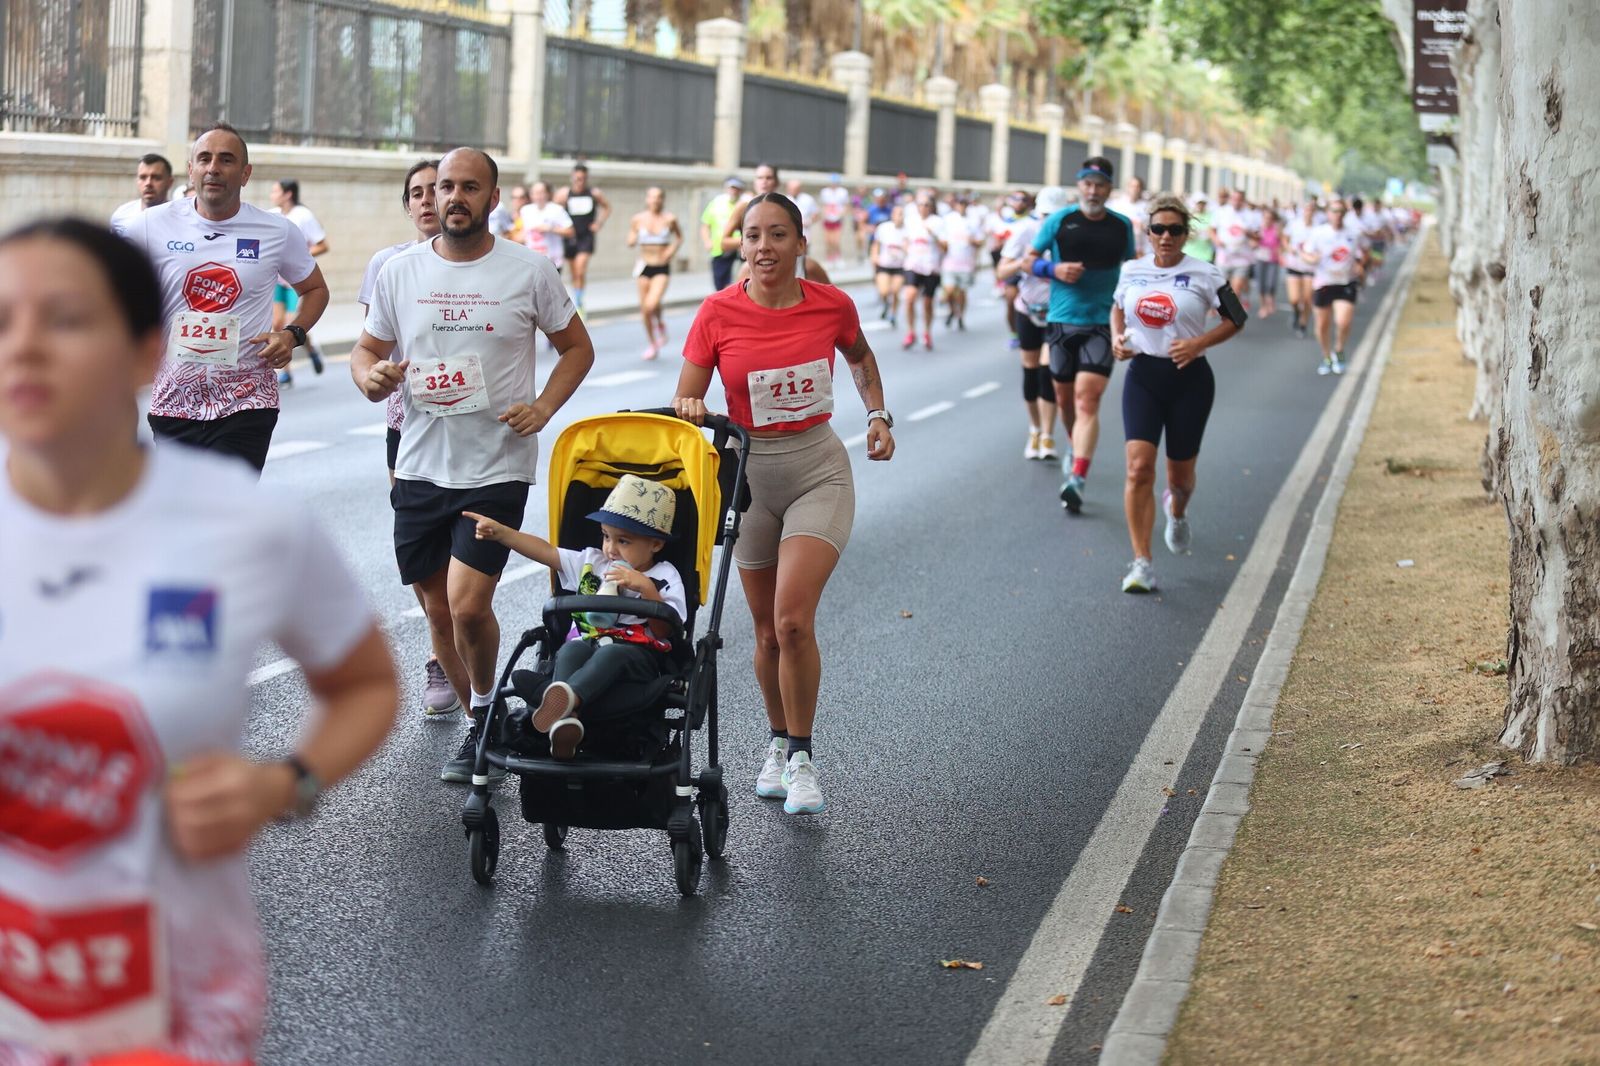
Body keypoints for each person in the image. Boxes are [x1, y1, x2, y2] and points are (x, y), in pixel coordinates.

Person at [0, 217, 396, 1062]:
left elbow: (365, 685)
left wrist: (281, 784)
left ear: (147, 354)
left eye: (64, 319)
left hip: (171, 1010)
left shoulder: (248, 525)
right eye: (2, 319)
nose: (24, 346)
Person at [350, 147, 596, 783]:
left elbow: (576, 347)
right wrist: (371, 377)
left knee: (465, 605)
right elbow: (368, 351)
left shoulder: (529, 270)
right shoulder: (399, 272)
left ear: (492, 198)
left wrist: (543, 407)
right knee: (437, 612)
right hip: (421, 464)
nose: (451, 198)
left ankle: (483, 715)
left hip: (496, 465)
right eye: (442, 187)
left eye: (467, 187)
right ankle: (481, 722)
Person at [672, 191, 895, 816]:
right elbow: (687, 396)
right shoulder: (716, 312)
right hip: (748, 477)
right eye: (752, 236)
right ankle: (775, 743)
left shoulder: (831, 305)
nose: (763, 247)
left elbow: (860, 356)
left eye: (777, 235)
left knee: (794, 619)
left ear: (801, 243)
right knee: (766, 630)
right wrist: (695, 409)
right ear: (739, 244)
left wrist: (877, 413)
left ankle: (801, 757)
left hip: (817, 469)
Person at [119, 123, 329, 473]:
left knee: (227, 513)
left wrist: (292, 335)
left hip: (247, 402)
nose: (213, 168)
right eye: (204, 158)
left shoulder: (277, 231)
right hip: (174, 402)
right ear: (191, 170)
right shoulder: (150, 225)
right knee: (181, 516)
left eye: (226, 160)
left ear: (245, 174)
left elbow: (315, 289)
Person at [463, 474, 687, 759]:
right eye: (606, 536)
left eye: (624, 541)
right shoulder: (594, 561)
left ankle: (562, 702)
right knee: (570, 648)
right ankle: (566, 719)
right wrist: (503, 534)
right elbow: (547, 552)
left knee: (613, 655)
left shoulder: (663, 576)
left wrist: (645, 588)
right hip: (590, 642)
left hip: (637, 657)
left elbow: (667, 630)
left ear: (655, 544)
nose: (611, 549)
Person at [355, 158, 460, 718]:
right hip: (407, 420)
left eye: (433, 190)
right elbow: (370, 345)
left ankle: (449, 648)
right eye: (415, 194)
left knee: (460, 547)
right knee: (419, 546)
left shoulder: (483, 263)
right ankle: (439, 637)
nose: (426, 201)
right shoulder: (388, 264)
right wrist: (374, 374)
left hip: (469, 426)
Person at [1109, 194, 1248, 593]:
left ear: (1186, 234)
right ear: (1148, 233)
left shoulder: (1206, 273)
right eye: (1158, 229)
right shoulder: (1131, 269)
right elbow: (1118, 307)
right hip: (1144, 375)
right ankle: (1141, 563)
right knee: (1138, 468)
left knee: (1180, 479)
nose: (1165, 236)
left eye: (1174, 230)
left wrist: (1199, 343)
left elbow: (1236, 319)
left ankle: (1179, 512)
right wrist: (1118, 337)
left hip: (1190, 378)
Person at [1022, 156, 1136, 514]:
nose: (1093, 190)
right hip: (1060, 323)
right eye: (1087, 183)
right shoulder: (1060, 221)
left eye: (1100, 184)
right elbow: (1028, 260)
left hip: (1102, 322)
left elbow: (1131, 269)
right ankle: (1075, 443)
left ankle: (1078, 477)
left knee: (1088, 400)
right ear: (1079, 186)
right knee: (1065, 399)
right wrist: (1052, 268)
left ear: (1109, 189)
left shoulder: (1122, 226)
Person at [997, 186, 1065, 462]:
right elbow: (1003, 270)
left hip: (1057, 311)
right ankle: (1035, 429)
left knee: (1048, 373)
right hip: (1027, 308)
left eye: (1054, 216)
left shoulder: (1069, 234)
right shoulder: (1025, 230)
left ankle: (1048, 434)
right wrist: (1023, 264)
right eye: (1045, 215)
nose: (1048, 221)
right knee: (1030, 373)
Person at [268, 177, 329, 381]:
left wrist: (297, 258)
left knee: (291, 324)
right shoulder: (273, 215)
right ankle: (286, 372)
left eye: (276, 191)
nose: (272, 195)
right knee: (277, 324)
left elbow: (322, 244)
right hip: (277, 280)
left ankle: (311, 350)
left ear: (288, 194)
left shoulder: (303, 215)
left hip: (296, 283)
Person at [1301, 198, 1366, 375]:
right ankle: (1326, 356)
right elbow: (1305, 253)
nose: (1337, 215)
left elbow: (1361, 254)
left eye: (1340, 212)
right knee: (1322, 325)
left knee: (1343, 322)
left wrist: (1360, 266)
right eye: (1334, 211)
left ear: (1345, 214)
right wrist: (1311, 259)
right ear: (1328, 214)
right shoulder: (1318, 233)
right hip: (1324, 283)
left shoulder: (1353, 233)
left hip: (1346, 282)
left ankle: (1339, 350)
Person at [627, 186, 683, 360]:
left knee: (651, 304)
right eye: (651, 197)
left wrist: (671, 251)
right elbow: (630, 240)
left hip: (661, 267)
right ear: (647, 199)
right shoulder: (638, 219)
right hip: (644, 266)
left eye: (658, 197)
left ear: (662, 200)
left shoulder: (670, 219)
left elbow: (679, 238)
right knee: (644, 309)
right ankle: (653, 343)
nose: (654, 200)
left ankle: (659, 323)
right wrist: (633, 238)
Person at [555, 164, 611, 314]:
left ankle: (579, 304)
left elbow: (607, 207)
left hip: (586, 236)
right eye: (577, 178)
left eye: (583, 178)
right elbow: (553, 210)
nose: (580, 181)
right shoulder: (564, 194)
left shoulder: (594, 193)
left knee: (580, 269)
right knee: (574, 272)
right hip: (570, 237)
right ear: (572, 177)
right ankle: (577, 298)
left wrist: (599, 223)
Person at [900, 191, 946, 351]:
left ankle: (927, 332)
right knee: (910, 297)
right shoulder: (910, 221)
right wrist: (907, 250)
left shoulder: (938, 222)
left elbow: (945, 247)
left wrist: (933, 235)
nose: (923, 208)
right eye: (919, 204)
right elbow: (905, 240)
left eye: (926, 204)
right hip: (913, 265)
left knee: (927, 302)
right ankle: (911, 331)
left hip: (931, 266)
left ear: (932, 206)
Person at [1209, 187, 1257, 314]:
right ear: (1231, 199)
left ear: (1243, 200)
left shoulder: (1250, 215)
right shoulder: (1221, 212)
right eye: (1234, 198)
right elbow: (1211, 230)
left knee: (1235, 290)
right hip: (1224, 257)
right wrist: (1216, 240)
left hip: (1242, 258)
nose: (1236, 201)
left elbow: (1258, 237)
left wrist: (1249, 234)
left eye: (1239, 199)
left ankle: (1230, 317)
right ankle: (1223, 309)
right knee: (1221, 287)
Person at [939, 197, 981, 331]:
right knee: (950, 291)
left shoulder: (972, 221)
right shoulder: (948, 219)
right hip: (950, 261)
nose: (961, 206)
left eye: (964, 204)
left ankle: (961, 316)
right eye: (959, 204)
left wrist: (973, 242)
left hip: (966, 262)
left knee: (962, 292)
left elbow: (980, 241)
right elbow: (942, 239)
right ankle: (952, 310)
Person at [109, 152, 174, 233]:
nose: (148, 183)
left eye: (156, 178)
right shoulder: (121, 215)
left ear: (170, 182)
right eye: (143, 177)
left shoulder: (180, 218)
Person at [519, 179, 574, 273]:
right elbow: (523, 233)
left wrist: (550, 229)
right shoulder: (525, 210)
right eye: (535, 193)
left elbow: (570, 232)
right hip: (531, 261)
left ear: (548, 194)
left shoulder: (557, 210)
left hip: (552, 261)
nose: (538, 196)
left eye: (541, 192)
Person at [701, 175, 745, 291]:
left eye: (736, 188)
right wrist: (707, 241)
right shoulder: (716, 203)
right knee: (720, 285)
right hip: (720, 250)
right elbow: (705, 225)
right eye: (731, 188)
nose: (733, 191)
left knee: (740, 282)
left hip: (739, 249)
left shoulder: (744, 205)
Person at [1282, 200, 1318, 337]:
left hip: (1310, 266)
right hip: (1294, 264)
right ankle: (1296, 313)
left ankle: (1303, 324)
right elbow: (1284, 238)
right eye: (1307, 209)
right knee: (1294, 299)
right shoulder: (1294, 224)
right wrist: (1288, 247)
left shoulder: (1318, 228)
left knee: (1308, 298)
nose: (1309, 212)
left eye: (1311, 209)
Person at [871, 203, 908, 326]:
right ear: (892, 215)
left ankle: (893, 313)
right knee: (884, 291)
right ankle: (886, 304)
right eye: (897, 214)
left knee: (896, 291)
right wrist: (874, 256)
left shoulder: (908, 230)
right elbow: (876, 243)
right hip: (885, 264)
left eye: (902, 214)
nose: (900, 217)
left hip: (900, 265)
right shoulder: (884, 228)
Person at [818, 174, 851, 264]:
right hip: (828, 218)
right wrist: (825, 214)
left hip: (838, 219)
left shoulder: (843, 192)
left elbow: (846, 205)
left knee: (836, 240)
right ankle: (829, 258)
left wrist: (841, 214)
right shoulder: (825, 192)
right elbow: (823, 205)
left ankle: (838, 257)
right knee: (828, 241)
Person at [1256, 207, 1282, 319]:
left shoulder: (1276, 230)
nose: (1267, 220)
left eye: (1270, 218)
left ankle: (1271, 301)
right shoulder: (1259, 229)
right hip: (1260, 258)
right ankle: (1263, 306)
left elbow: (1282, 243)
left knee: (1270, 283)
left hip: (1273, 260)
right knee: (1261, 284)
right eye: (1266, 218)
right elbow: (1253, 243)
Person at [785, 178, 819, 246]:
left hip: (804, 231)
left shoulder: (808, 199)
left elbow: (816, 214)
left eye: (795, 189)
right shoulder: (785, 199)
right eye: (790, 188)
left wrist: (809, 221)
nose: (792, 190)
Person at [1183, 193, 1214, 263]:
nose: (1200, 205)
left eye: (1203, 203)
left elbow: (1213, 233)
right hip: (1189, 254)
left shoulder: (1211, 216)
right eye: (1199, 203)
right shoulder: (1188, 216)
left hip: (1205, 256)